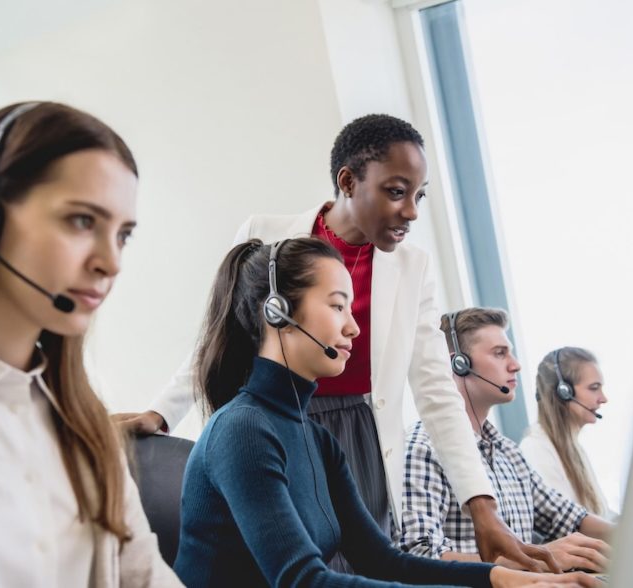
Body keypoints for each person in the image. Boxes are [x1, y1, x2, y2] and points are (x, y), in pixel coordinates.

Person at [115, 114, 558, 570]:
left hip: (355, 438)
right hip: (275, 420)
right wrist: (162, 412)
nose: (411, 211)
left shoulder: (411, 267)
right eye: (396, 191)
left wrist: (482, 510)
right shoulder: (266, 236)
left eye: (419, 195)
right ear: (348, 181)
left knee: (369, 565)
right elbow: (219, 334)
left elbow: (435, 390)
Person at [173, 238, 598, 587]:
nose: (353, 326)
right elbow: (304, 582)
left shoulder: (317, 439)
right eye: (338, 306)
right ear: (278, 311)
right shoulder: (243, 430)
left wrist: (500, 579)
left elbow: (384, 562)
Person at [0, 102, 182, 587]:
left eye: (123, 234)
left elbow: (144, 575)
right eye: (83, 221)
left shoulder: (83, 424)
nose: (111, 261)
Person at [400, 308, 613, 572]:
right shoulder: (422, 447)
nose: (516, 364)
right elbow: (418, 557)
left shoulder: (508, 452)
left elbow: (569, 517)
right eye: (499, 353)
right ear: (458, 364)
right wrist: (533, 560)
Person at [520, 348, 616, 520]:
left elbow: (602, 515)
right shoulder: (536, 449)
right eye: (594, 388)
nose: (603, 398)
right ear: (564, 391)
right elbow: (566, 524)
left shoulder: (574, 448)